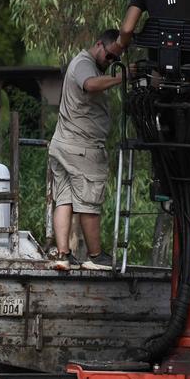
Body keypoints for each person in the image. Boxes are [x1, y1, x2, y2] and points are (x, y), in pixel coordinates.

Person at [49, 30, 122, 271]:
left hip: (63, 145)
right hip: (81, 148)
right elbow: (90, 84)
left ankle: (63, 254)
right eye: (110, 56)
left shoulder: (84, 63)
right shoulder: (84, 64)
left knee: (64, 199)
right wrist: (122, 78)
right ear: (99, 44)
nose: (110, 62)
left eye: (115, 60)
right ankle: (95, 255)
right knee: (88, 201)